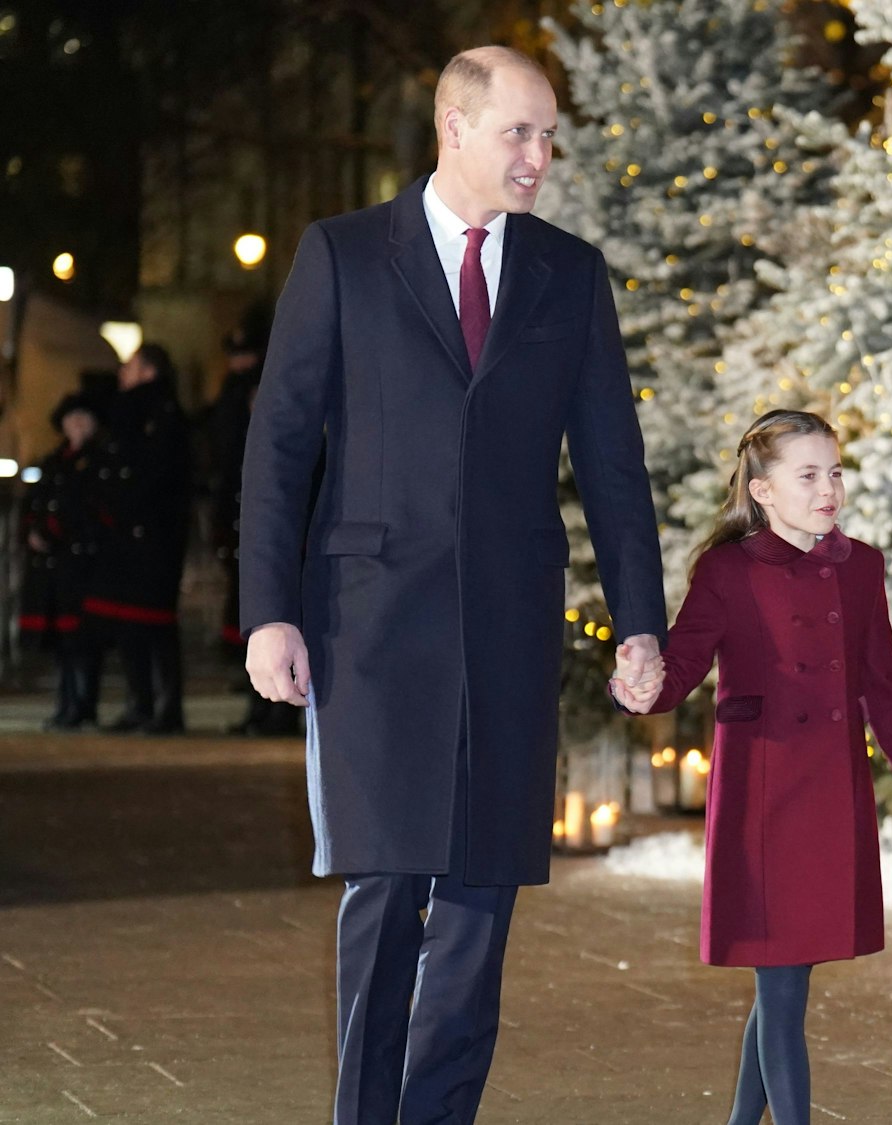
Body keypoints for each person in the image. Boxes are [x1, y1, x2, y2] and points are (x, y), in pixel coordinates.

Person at [237, 46, 665, 1125]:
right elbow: (280, 445)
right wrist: (267, 612)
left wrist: (639, 625)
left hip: (509, 633)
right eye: (521, 132)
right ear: (454, 129)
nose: (541, 156)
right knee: (383, 894)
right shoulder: (342, 255)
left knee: (478, 906)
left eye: (548, 134)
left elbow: (612, 466)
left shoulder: (570, 275)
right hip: (368, 628)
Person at [610, 409, 892, 1125]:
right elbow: (681, 667)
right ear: (762, 490)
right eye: (809, 474)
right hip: (763, 798)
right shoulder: (727, 570)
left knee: (784, 983)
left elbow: (882, 684)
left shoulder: (861, 568)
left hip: (830, 792)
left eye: (835, 471)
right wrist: (640, 684)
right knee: (783, 985)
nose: (828, 487)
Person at [85, 343, 192, 734]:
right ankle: (140, 703)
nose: (121, 372)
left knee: (157, 623)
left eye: (130, 365)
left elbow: (159, 475)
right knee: (128, 622)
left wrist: (128, 508)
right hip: (126, 533)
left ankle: (168, 708)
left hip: (153, 535)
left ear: (149, 371)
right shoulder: (127, 411)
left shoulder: (163, 415)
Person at [208, 327, 300, 736]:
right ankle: (260, 709)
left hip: (286, 542)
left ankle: (278, 713)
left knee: (278, 622)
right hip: (249, 529)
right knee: (255, 625)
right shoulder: (236, 416)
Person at [20, 392, 110, 729]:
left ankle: (83, 705)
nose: (76, 425)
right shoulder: (53, 461)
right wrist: (33, 531)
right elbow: (35, 502)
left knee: (83, 641)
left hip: (81, 564)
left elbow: (87, 509)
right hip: (52, 566)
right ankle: (67, 703)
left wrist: (55, 530)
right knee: (62, 644)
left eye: (83, 419)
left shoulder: (97, 462)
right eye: (71, 419)